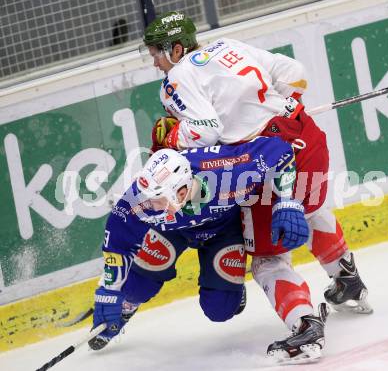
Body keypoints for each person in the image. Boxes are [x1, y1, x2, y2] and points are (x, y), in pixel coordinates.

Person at [142, 10, 373, 361]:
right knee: (307, 207)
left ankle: (305, 327)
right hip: (305, 138)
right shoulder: (228, 46)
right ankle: (347, 281)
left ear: (176, 49)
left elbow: (205, 131)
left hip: (267, 162)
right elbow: (295, 74)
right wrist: (277, 108)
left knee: (268, 258)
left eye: (157, 53)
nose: (155, 62)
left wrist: (172, 134)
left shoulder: (177, 77)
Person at [89, 136, 327, 363]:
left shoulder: (228, 170)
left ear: (182, 190)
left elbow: (280, 150)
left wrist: (286, 200)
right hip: (172, 230)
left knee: (221, 309)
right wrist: (109, 292)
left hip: (223, 230)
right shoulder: (140, 200)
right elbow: (117, 243)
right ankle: (128, 306)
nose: (150, 206)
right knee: (134, 288)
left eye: (159, 200)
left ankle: (232, 290)